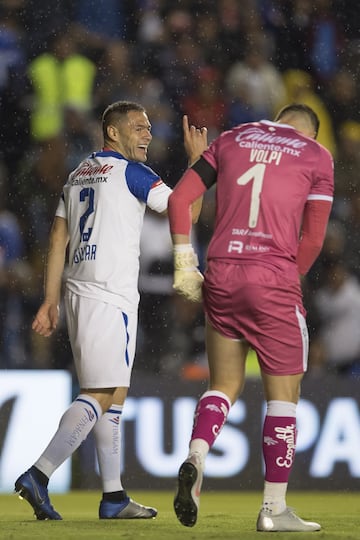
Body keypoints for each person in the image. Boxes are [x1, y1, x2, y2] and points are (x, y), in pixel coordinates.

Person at [14, 100, 207, 520]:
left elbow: (58, 238)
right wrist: (197, 166)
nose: (147, 135)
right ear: (112, 132)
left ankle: (114, 496)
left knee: (113, 394)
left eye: (149, 128)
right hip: (109, 295)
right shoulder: (133, 173)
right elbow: (186, 214)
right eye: (138, 127)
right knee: (100, 395)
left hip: (80, 292)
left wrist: (50, 299)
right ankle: (39, 474)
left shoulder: (78, 173)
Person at [167, 104, 334, 532]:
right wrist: (283, 279)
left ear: (277, 121)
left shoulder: (233, 138)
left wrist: (185, 261)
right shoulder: (315, 155)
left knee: (222, 384)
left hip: (221, 272)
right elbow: (313, 238)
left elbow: (180, 199)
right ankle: (273, 509)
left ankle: (197, 456)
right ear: (311, 133)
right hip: (273, 277)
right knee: (283, 395)